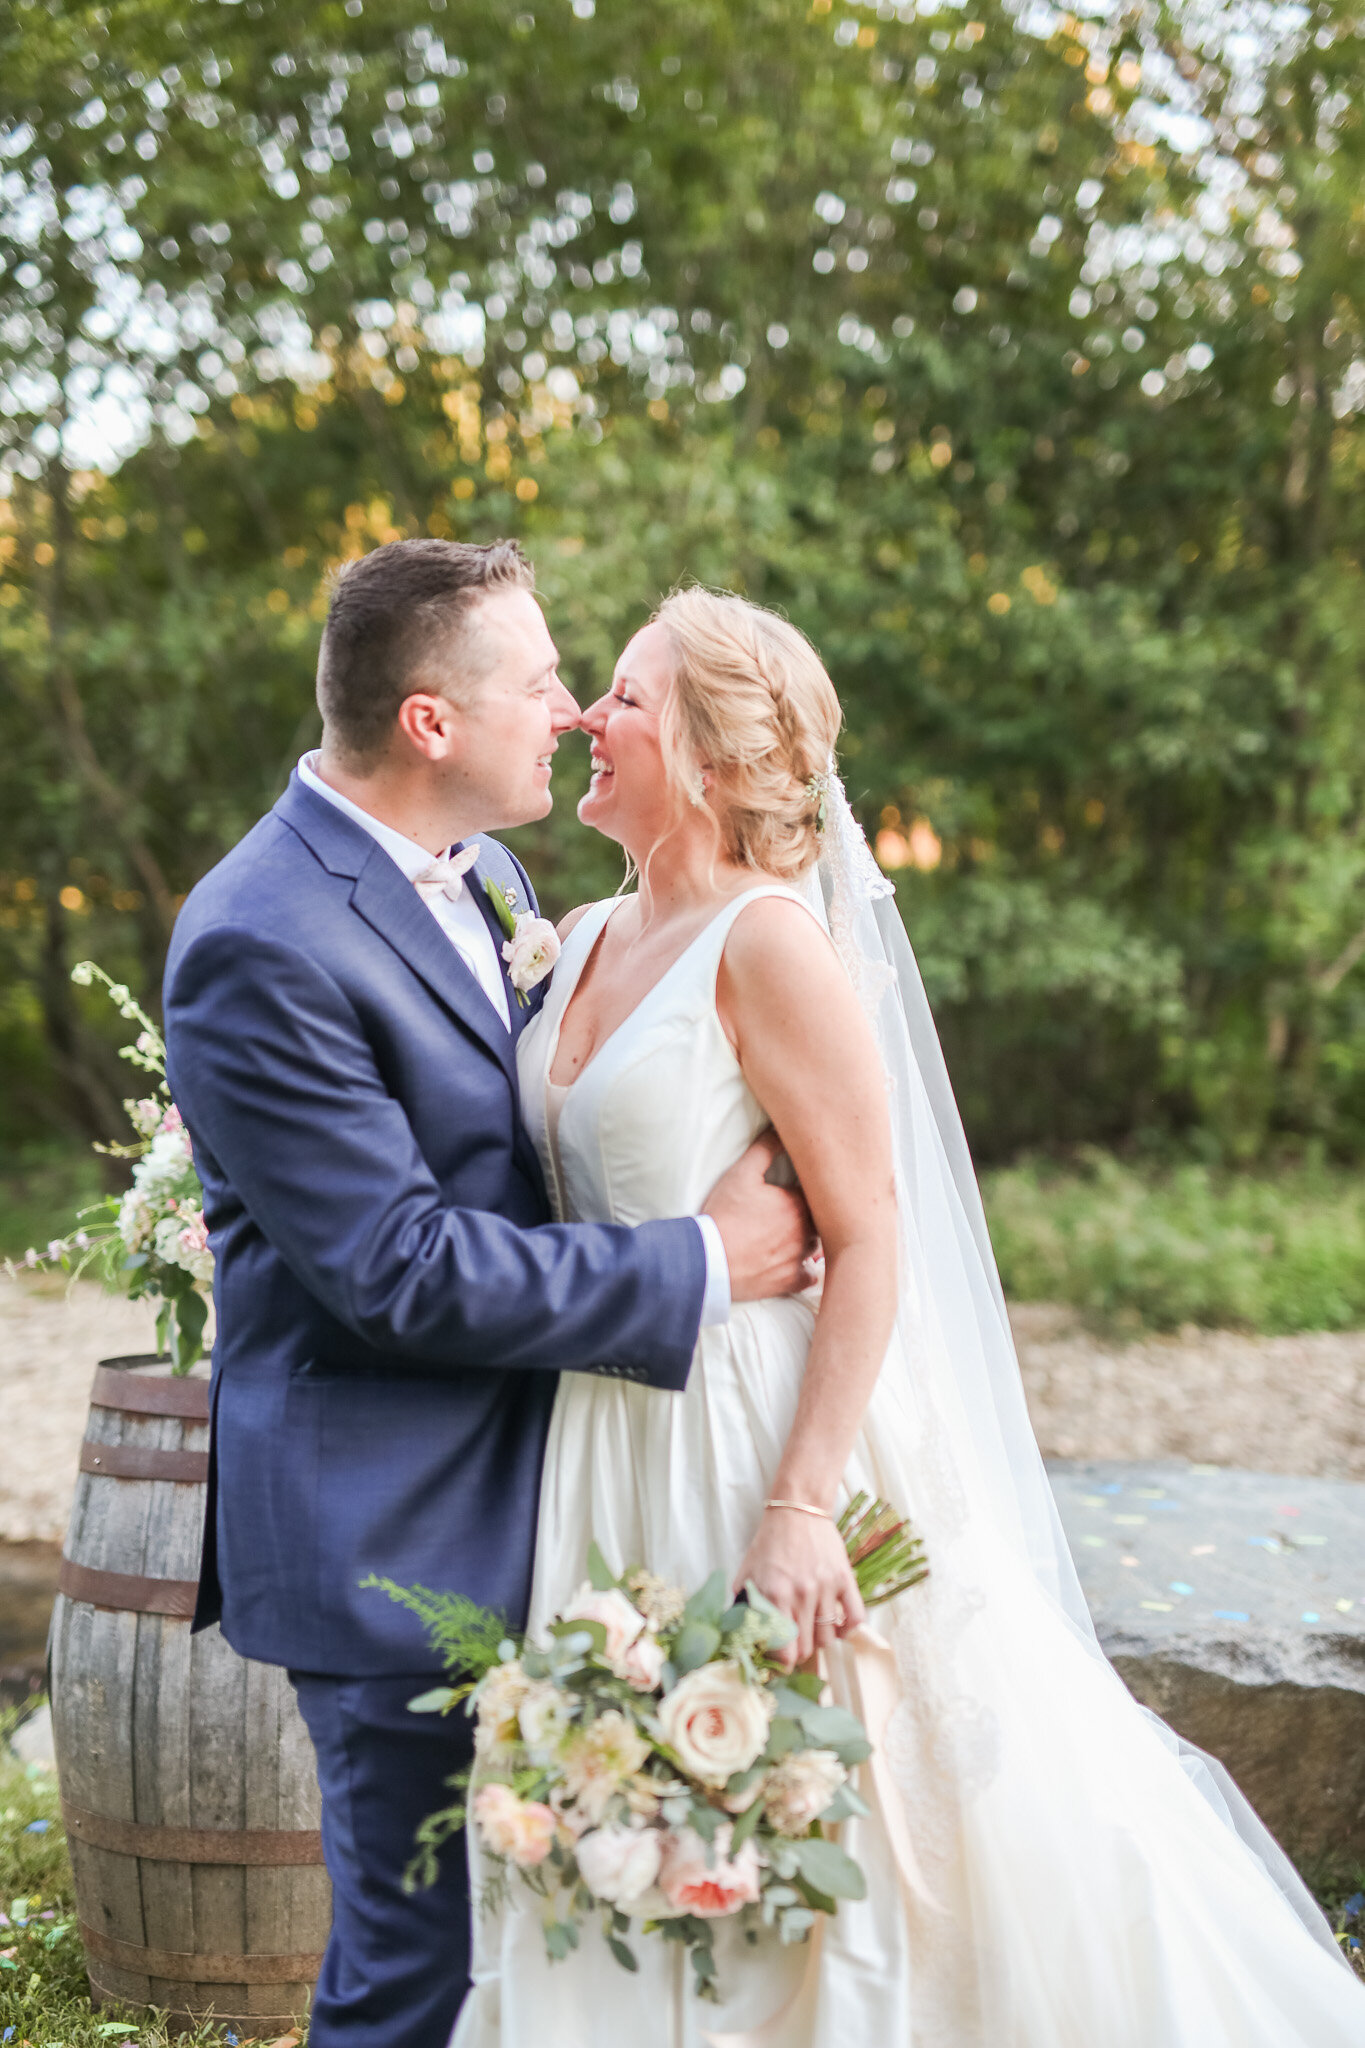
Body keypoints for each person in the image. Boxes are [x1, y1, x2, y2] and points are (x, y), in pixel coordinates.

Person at [454, 585, 1365, 2046]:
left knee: (821, 1834)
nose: (582, 717)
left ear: (703, 748)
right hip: (598, 1431)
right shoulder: (577, 929)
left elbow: (870, 1235)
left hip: (747, 1431)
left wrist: (804, 1505)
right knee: (617, 1811)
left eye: (622, 694)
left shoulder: (768, 947)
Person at [161, 540, 815, 2048]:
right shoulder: (258, 936)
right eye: (538, 681)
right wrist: (704, 1257)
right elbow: (395, 1264)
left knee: (545, 1949)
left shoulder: (504, 880)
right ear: (430, 724)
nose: (573, 708)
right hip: (388, 1540)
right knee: (415, 1970)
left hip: (574, 1491)